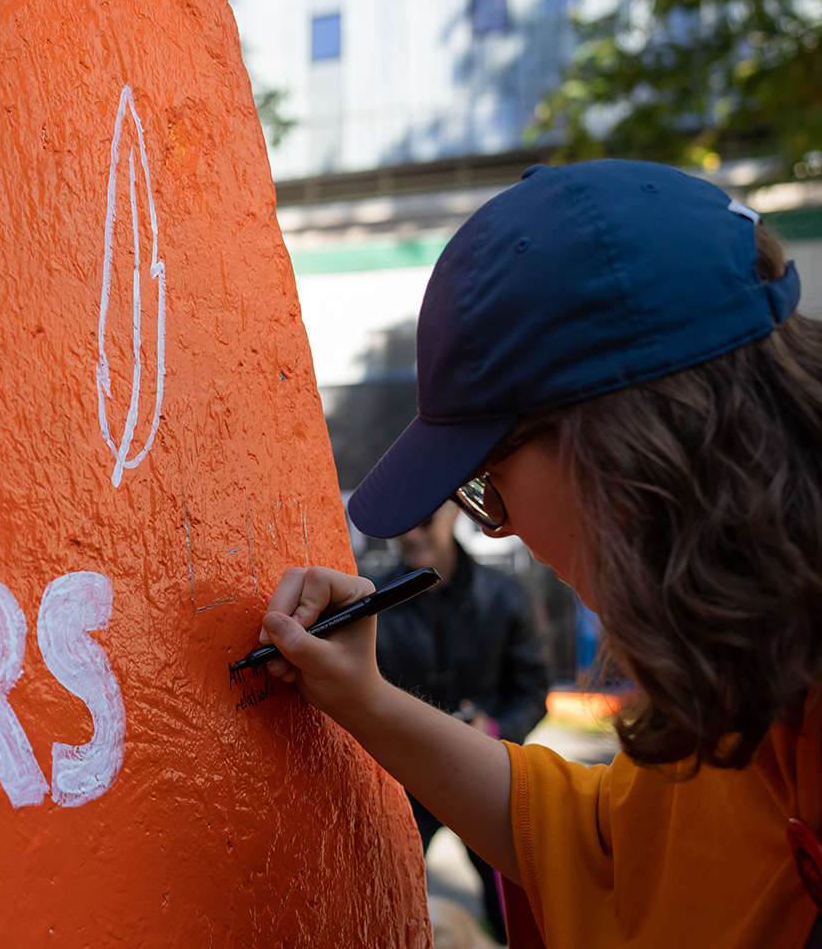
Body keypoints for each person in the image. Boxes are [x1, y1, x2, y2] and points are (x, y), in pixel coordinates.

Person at [255, 160, 822, 948]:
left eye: (487, 477)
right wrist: (366, 699)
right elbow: (604, 846)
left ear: (625, 443)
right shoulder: (752, 676)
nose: (501, 525)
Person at [377, 501, 549, 940]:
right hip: (408, 785)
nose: (411, 534)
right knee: (386, 903)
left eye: (424, 519)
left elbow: (532, 690)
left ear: (454, 513)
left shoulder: (508, 597)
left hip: (487, 773)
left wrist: (492, 731)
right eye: (401, 523)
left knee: (518, 912)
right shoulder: (373, 603)